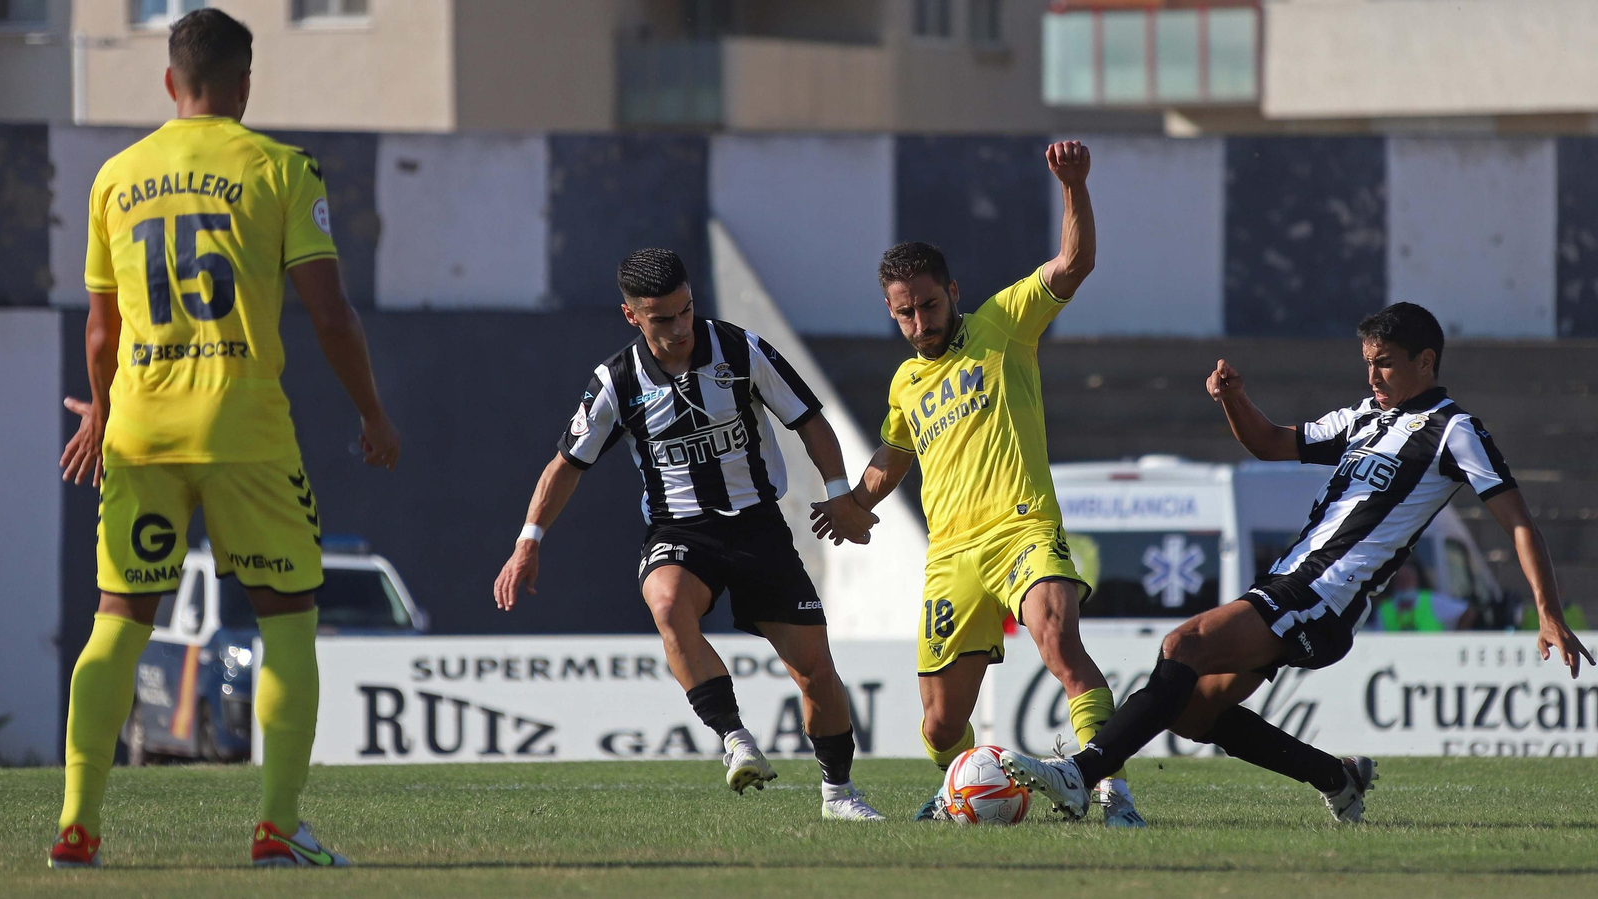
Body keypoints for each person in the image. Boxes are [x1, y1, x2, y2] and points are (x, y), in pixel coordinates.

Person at [998, 302, 1594, 824]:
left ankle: (1081, 773)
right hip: (1293, 584)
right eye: (1367, 361)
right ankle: (1337, 778)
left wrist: (1547, 613)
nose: (1373, 374)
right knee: (1194, 711)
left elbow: (1517, 521)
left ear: (1426, 362)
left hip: (1323, 596)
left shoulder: (1454, 430)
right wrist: (1234, 399)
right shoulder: (1366, 418)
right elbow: (1272, 443)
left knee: (1184, 646)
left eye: (1384, 361)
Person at [50, 8, 399, 868]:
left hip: (140, 429)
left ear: (171, 81)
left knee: (119, 621)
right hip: (244, 428)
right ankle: (278, 826)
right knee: (286, 620)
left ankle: (76, 825)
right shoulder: (280, 168)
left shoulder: (114, 176)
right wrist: (372, 412)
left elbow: (102, 333)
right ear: (246, 83)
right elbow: (331, 314)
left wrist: (99, 409)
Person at [810, 141, 1144, 827]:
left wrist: (1073, 187)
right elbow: (894, 457)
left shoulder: (1003, 323)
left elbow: (1074, 263)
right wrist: (855, 500)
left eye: (928, 306)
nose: (918, 323)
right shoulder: (906, 382)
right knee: (938, 725)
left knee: (1059, 643)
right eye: (903, 313)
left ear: (952, 293)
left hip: (1021, 529)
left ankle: (1110, 791)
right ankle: (963, 786)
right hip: (951, 555)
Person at [493, 248, 885, 821]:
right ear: (632, 317)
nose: (679, 329)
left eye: (685, 312)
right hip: (680, 530)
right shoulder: (615, 381)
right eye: (661, 319)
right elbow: (566, 465)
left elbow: (808, 419)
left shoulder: (741, 349)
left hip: (758, 528)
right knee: (667, 601)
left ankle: (839, 795)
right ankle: (735, 739)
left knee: (814, 670)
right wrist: (528, 541)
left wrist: (839, 492)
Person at [1369, 559, 1474, 632]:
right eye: (1400, 580)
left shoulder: (1432, 601)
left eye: (1408, 579)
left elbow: (1468, 612)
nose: (1404, 583)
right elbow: (1378, 637)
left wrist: (1456, 637)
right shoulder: (1384, 609)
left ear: (1416, 580)